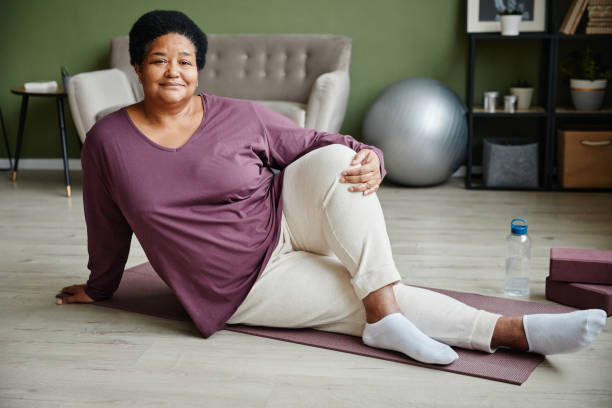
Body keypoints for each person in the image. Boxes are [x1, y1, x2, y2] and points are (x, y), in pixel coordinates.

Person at [56, 10, 607, 366]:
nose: (173, 72)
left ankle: (384, 318)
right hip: (241, 281)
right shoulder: (108, 140)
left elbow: (320, 139)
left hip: (285, 217)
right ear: (136, 66)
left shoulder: (235, 114)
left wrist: (372, 157)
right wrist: (101, 287)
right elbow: (105, 222)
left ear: (200, 69)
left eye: (186, 61)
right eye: (159, 60)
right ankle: (517, 332)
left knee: (339, 157)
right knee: (358, 298)